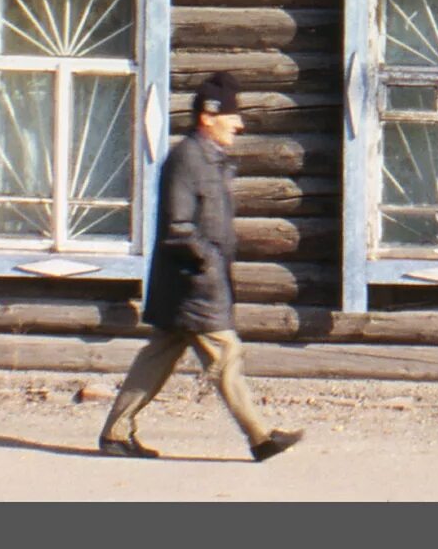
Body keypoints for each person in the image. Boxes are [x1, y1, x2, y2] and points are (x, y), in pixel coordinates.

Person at [99, 72, 304, 462]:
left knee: (158, 356)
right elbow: (178, 229)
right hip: (193, 283)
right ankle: (260, 438)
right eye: (232, 116)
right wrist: (208, 261)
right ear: (208, 117)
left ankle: (114, 432)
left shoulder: (209, 158)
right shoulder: (187, 159)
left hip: (196, 282)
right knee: (227, 354)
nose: (240, 124)